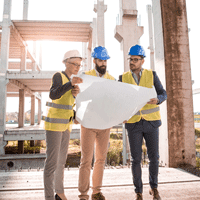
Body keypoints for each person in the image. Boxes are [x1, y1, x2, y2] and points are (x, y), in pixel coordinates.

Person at [119, 45, 167, 200]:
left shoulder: (151, 75)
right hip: (133, 124)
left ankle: (154, 188)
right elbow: (118, 100)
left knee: (154, 157)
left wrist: (158, 100)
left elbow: (163, 93)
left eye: (135, 59)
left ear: (142, 61)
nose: (132, 62)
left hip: (151, 122)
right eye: (130, 59)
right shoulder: (123, 77)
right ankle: (138, 191)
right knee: (136, 159)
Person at [43, 50, 83, 200]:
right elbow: (53, 94)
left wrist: (75, 114)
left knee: (61, 162)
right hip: (54, 126)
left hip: (66, 126)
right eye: (75, 64)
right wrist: (70, 85)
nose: (77, 67)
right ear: (66, 62)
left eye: (79, 65)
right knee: (52, 163)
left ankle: (59, 193)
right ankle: (49, 197)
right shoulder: (58, 76)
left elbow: (66, 105)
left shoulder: (71, 80)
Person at [78, 46, 115, 200]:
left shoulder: (112, 80)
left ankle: (96, 192)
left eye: (105, 60)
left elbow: (115, 102)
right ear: (94, 61)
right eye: (100, 60)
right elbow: (79, 98)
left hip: (105, 124)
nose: (103, 63)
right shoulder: (86, 77)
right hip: (88, 123)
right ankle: (83, 194)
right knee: (86, 160)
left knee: (100, 159)